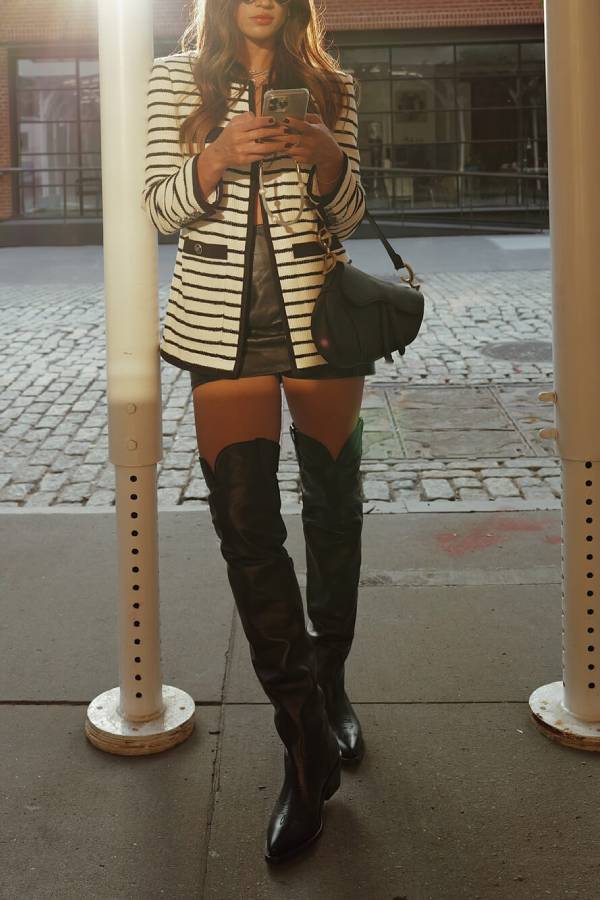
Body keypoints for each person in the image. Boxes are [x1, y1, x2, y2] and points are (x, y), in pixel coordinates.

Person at [141, 0, 374, 864]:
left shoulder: (330, 84)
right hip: (219, 328)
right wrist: (215, 158)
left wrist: (329, 163)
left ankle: (331, 681)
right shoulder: (174, 80)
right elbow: (156, 211)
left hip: (322, 322)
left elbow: (352, 215)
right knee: (245, 524)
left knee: (334, 507)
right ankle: (304, 735)